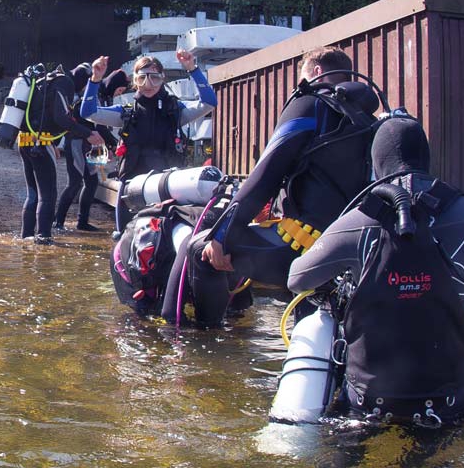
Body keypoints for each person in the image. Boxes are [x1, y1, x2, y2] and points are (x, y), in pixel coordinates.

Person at [286, 117, 464, 422]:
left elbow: (297, 279)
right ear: (426, 158)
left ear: (376, 163)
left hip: (368, 404)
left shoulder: (358, 222)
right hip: (449, 401)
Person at [161, 46, 380, 327]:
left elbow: (266, 173)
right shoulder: (369, 120)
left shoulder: (310, 103)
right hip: (358, 244)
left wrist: (224, 233)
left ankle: (207, 350)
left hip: (306, 243)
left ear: (316, 73)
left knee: (200, 250)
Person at [80, 50, 216, 235]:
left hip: (169, 185)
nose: (148, 84)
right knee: (125, 237)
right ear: (135, 80)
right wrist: (95, 79)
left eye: (155, 78)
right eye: (142, 78)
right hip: (131, 184)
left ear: (163, 79)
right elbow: (88, 112)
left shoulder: (175, 111)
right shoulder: (126, 113)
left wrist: (192, 68)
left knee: (167, 237)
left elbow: (209, 102)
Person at [16, 64, 98, 245]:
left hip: (25, 140)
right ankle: (44, 237)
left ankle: (26, 236)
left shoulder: (48, 81)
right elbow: (60, 118)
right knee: (48, 194)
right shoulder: (64, 82)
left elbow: (43, 114)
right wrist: (88, 134)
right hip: (40, 143)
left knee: (33, 193)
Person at [53, 63, 119, 232]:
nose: (121, 92)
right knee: (74, 183)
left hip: (91, 144)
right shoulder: (81, 97)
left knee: (91, 182)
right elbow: (98, 125)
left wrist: (109, 145)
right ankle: (58, 221)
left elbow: (100, 126)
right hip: (76, 143)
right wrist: (112, 144)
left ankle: (82, 221)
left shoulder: (94, 95)